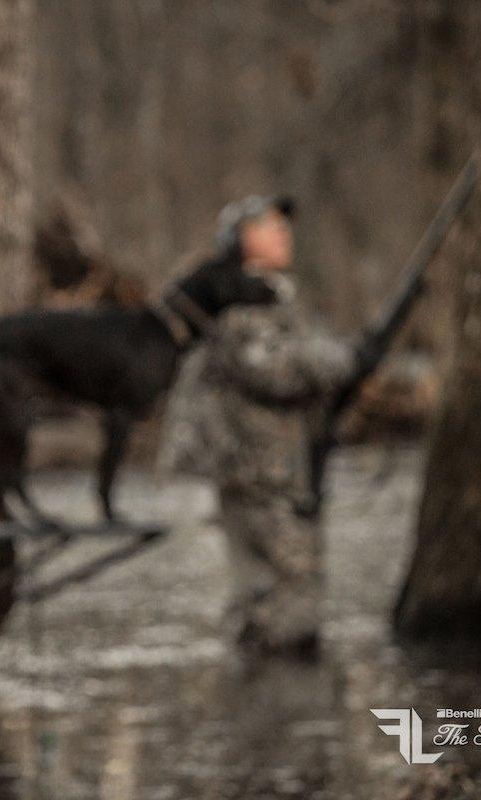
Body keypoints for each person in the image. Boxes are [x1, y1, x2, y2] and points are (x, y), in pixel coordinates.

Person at [159, 195, 370, 658]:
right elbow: (273, 369)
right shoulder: (233, 297)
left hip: (277, 464)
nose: (281, 233)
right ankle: (270, 690)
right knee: (279, 581)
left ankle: (269, 695)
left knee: (278, 579)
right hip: (254, 467)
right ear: (239, 240)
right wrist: (344, 360)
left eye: (281, 226)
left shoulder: (273, 293)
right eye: (267, 226)